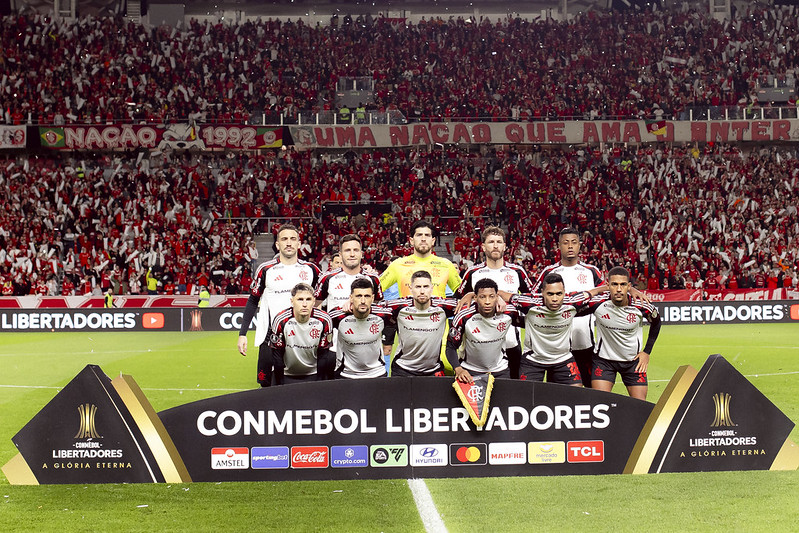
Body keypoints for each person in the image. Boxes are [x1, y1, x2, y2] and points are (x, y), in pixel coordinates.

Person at [237, 224, 321, 387]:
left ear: (299, 243)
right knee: (266, 384)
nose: (288, 243)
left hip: (303, 336)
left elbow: (324, 295)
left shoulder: (311, 269)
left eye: (293, 239)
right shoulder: (266, 269)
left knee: (303, 383)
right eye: (284, 239)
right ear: (277, 244)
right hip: (271, 337)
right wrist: (242, 334)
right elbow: (253, 300)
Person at [456, 226, 533, 379]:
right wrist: (470, 295)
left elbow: (532, 300)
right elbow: (458, 301)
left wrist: (504, 297)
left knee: (512, 386)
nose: (496, 245)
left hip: (510, 340)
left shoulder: (517, 271)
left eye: (499, 242)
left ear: (504, 246)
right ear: (483, 247)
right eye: (491, 242)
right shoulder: (473, 273)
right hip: (480, 343)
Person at [534, 227, 605, 387]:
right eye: (566, 243)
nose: (570, 246)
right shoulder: (549, 272)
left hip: (585, 344)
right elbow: (534, 300)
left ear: (580, 245)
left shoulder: (591, 271)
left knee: (590, 393)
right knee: (558, 394)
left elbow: (607, 294)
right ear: (559, 246)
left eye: (574, 242)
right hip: (557, 348)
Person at [506, 273, 606, 385]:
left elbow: (590, 293)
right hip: (533, 360)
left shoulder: (572, 302)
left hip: (563, 359)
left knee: (576, 392)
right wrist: (499, 300)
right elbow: (504, 295)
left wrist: (606, 288)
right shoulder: (529, 302)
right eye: (550, 294)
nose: (555, 299)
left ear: (564, 292)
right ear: (542, 292)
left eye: (559, 294)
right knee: (526, 395)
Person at [583, 266, 661, 400]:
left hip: (633, 362)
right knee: (600, 403)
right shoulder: (597, 303)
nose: (619, 289)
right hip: (604, 361)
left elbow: (657, 323)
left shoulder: (641, 305)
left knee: (640, 405)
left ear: (629, 286)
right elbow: (572, 307)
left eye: (623, 285)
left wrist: (647, 352)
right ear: (608, 285)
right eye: (614, 284)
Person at [314, 234, 385, 364]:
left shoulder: (372, 278)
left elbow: (379, 309)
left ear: (361, 254)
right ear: (340, 255)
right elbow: (314, 307)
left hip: (367, 346)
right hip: (335, 347)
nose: (352, 254)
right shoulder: (328, 278)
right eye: (347, 250)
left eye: (355, 250)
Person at [384, 270, 458, 376]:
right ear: (410, 288)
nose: (422, 291)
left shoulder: (443, 306)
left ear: (432, 288)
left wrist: (469, 295)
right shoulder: (399, 306)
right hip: (403, 369)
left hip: (433, 370)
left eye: (426, 287)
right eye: (418, 287)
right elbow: (374, 308)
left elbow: (468, 305)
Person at [446, 278, 519, 383]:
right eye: (482, 297)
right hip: (470, 370)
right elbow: (450, 346)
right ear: (475, 298)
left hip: (500, 370)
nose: (487, 302)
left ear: (497, 297)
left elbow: (528, 318)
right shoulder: (464, 316)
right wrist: (458, 369)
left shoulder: (509, 312)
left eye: (491, 296)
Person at [328, 277, 394, 379]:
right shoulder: (338, 316)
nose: (363, 301)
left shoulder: (383, 314)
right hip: (347, 374)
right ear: (351, 298)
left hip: (377, 373)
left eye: (367, 296)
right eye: (358, 296)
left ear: (372, 298)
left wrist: (388, 342)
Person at [269, 283, 335, 384]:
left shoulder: (324, 320)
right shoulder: (281, 320)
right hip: (286, 373)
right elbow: (277, 356)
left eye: (308, 299)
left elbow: (323, 355)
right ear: (292, 301)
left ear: (314, 301)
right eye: (300, 299)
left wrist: (319, 384)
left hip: (314, 373)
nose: (304, 304)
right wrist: (280, 385)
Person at [380, 220, 461, 299]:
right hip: (407, 308)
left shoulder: (446, 265)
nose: (423, 239)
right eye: (419, 235)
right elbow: (376, 290)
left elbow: (463, 293)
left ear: (433, 241)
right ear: (411, 241)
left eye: (427, 235)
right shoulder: (397, 265)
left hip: (438, 308)